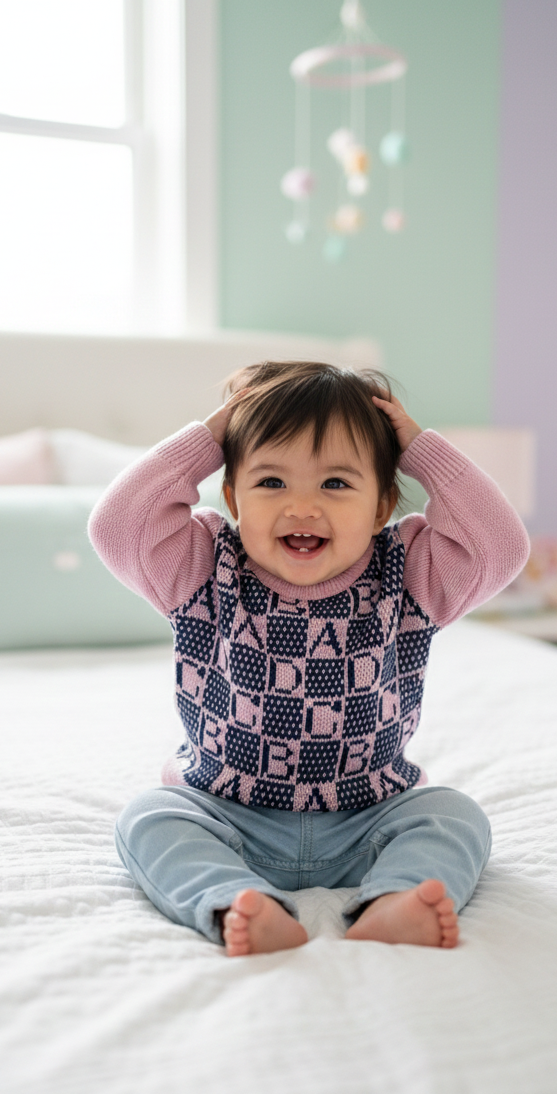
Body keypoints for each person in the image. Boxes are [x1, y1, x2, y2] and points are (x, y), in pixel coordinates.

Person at [89, 362, 529, 957]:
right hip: (228, 815)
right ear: (232, 497)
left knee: (455, 815)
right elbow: (120, 526)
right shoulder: (204, 568)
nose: (301, 507)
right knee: (148, 817)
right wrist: (212, 437)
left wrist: (422, 451)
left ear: (381, 507)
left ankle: (395, 898)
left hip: (367, 818)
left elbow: (499, 545)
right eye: (271, 482)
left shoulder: (408, 574)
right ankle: (236, 899)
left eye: (336, 484)